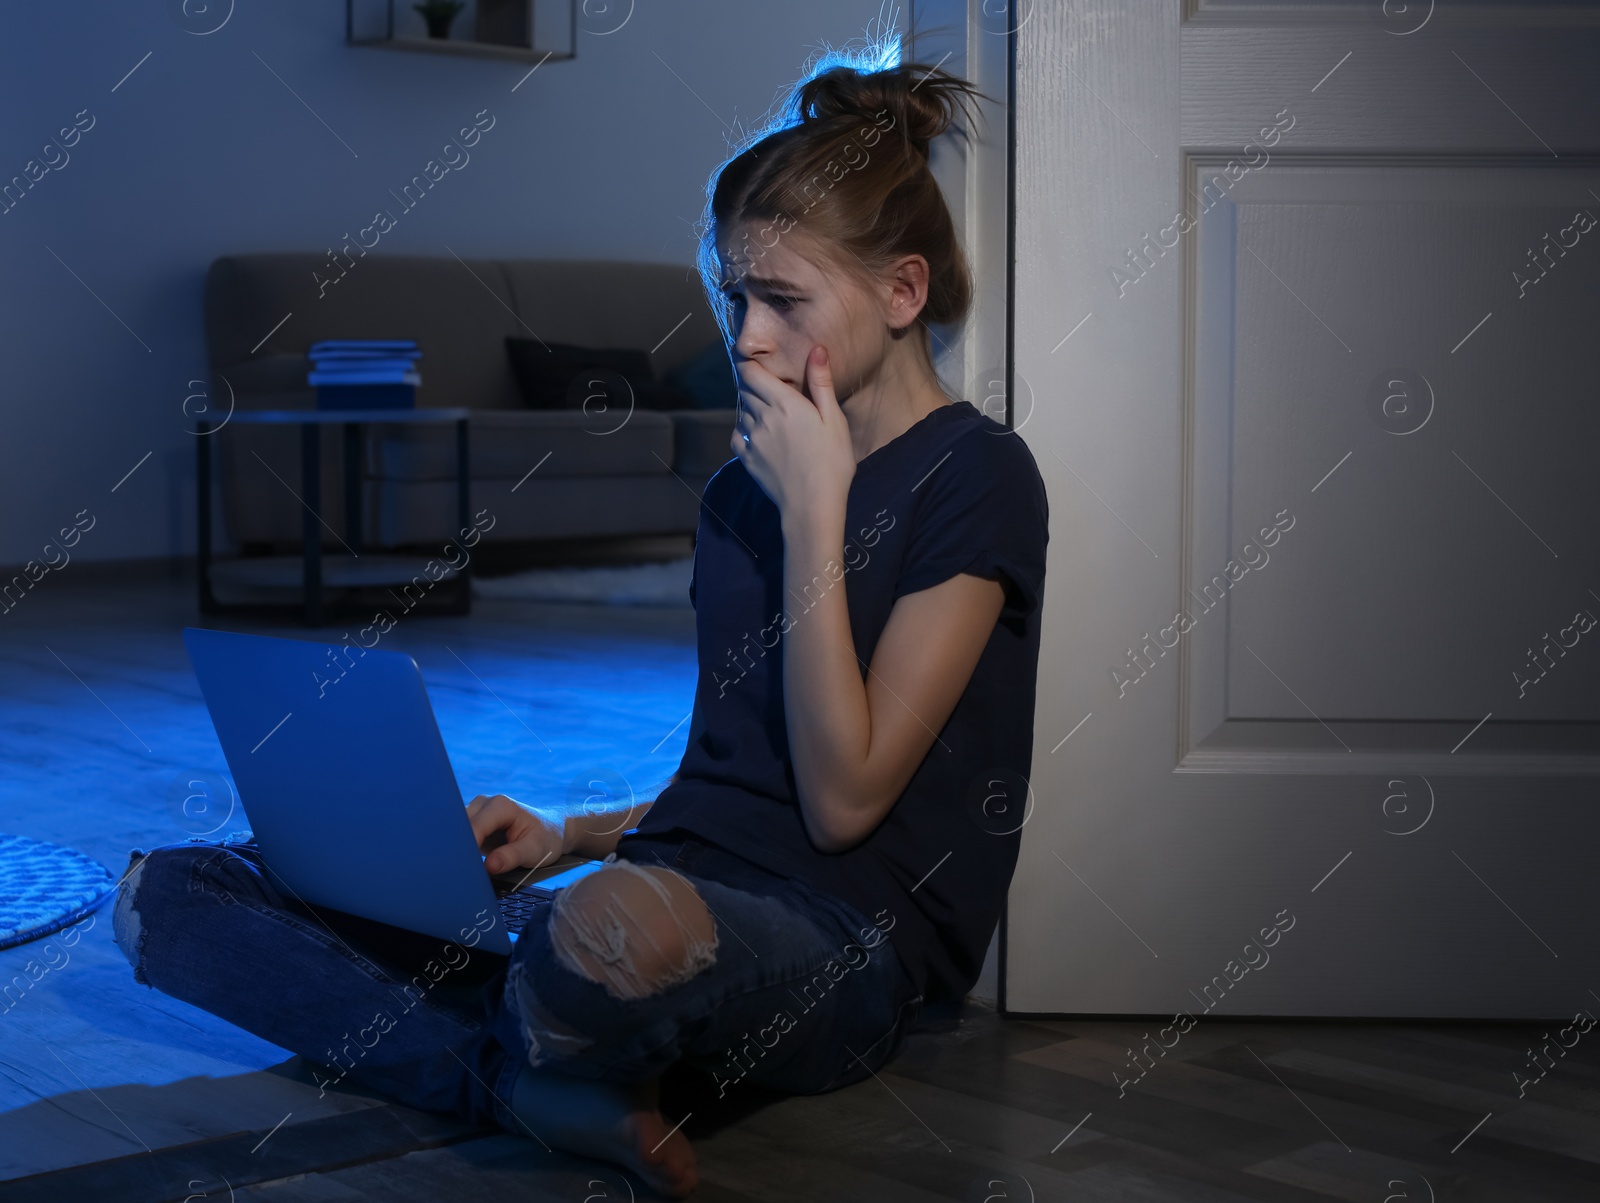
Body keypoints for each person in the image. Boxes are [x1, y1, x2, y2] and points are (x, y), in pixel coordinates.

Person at [113, 56, 1048, 1199]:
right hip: (663, 894)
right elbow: (734, 779)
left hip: (841, 950)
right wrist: (567, 834)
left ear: (902, 293)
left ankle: (531, 1039)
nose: (746, 339)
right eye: (731, 297)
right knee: (177, 893)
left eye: (782, 301)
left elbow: (844, 799)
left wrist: (817, 511)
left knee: (608, 939)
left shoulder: (977, 477)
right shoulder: (738, 494)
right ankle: (534, 1076)